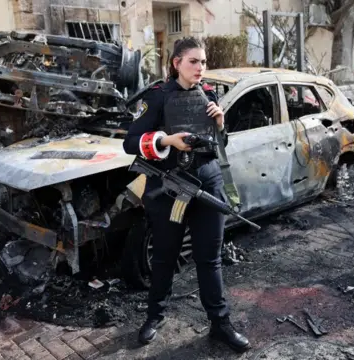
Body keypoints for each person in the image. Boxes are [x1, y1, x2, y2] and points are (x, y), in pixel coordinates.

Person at [121, 37, 251, 353]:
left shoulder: (209, 94)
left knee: (210, 259)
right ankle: (155, 317)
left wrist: (220, 122)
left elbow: (220, 142)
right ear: (177, 62)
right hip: (168, 188)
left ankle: (220, 325)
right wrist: (166, 141)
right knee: (165, 258)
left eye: (204, 62)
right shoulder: (156, 97)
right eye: (194, 61)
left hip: (207, 185)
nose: (200, 68)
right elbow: (130, 143)